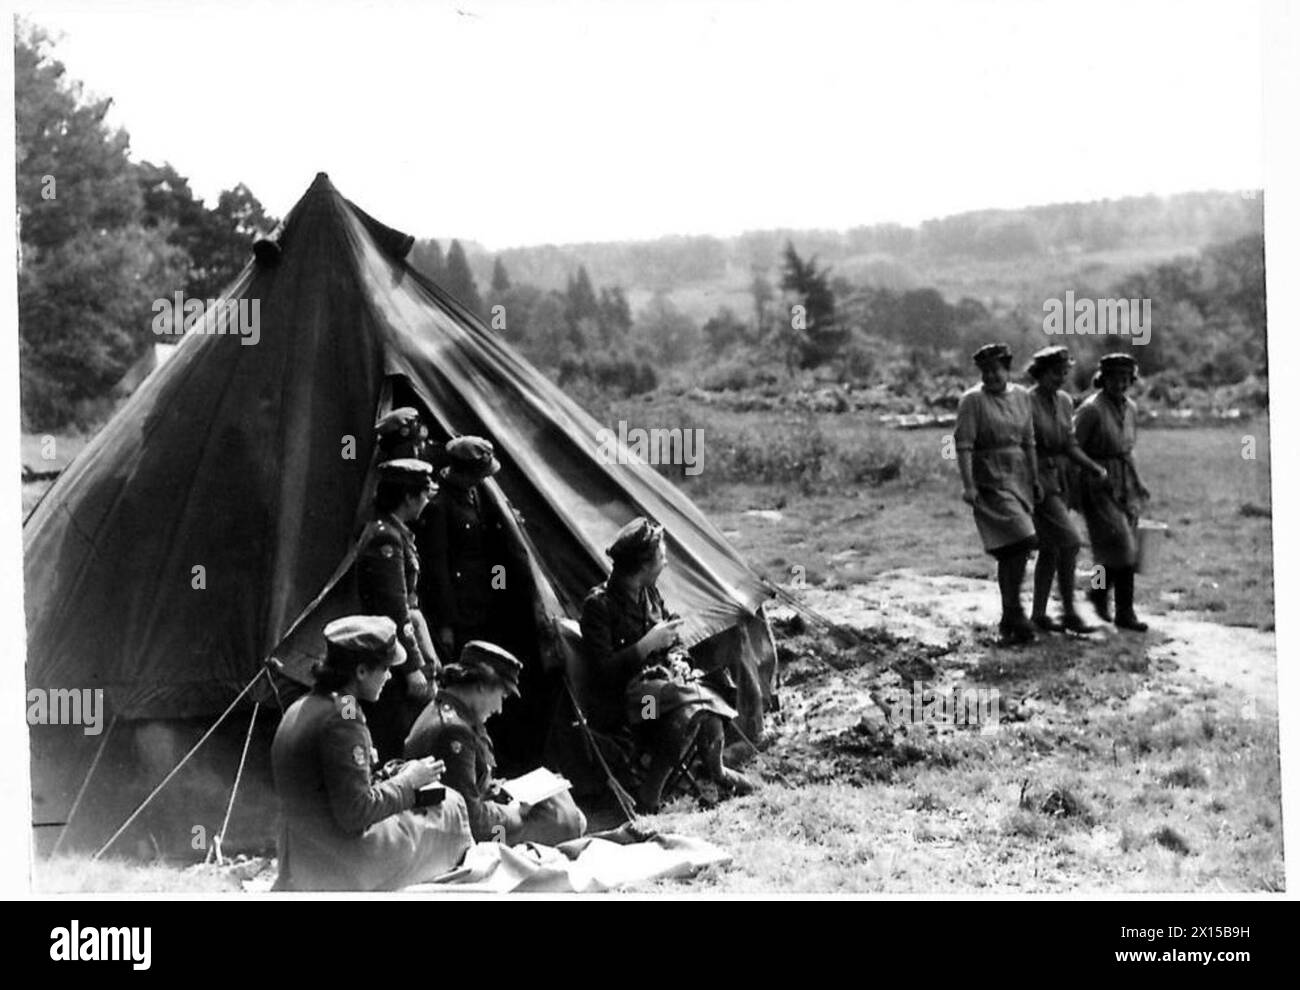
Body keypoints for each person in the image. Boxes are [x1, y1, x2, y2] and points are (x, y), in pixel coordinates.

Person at [270, 615, 472, 891]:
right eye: (385, 668)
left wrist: (391, 774)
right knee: (449, 806)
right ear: (362, 672)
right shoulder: (343, 717)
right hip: (341, 864)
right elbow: (355, 812)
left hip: (303, 856)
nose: (389, 676)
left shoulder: (304, 706)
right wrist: (409, 781)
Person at [580, 517, 756, 813]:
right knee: (686, 708)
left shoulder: (649, 593)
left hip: (662, 689)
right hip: (629, 703)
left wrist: (679, 659)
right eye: (661, 557)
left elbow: (674, 638)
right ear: (643, 566)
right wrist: (646, 645)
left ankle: (718, 772)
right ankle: (651, 795)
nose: (666, 563)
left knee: (699, 702)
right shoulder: (599, 606)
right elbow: (603, 673)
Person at [404, 640, 587, 845]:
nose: (500, 708)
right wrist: (513, 812)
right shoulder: (453, 732)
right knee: (564, 821)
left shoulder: (454, 713)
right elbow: (472, 820)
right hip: (475, 838)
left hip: (475, 820)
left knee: (559, 802)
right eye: (502, 695)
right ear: (482, 686)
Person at [955, 343, 1042, 645]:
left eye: (997, 369)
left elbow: (1029, 440)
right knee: (1024, 539)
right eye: (986, 371)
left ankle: (1010, 617)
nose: (991, 375)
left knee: (1010, 549)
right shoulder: (972, 401)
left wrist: (1035, 476)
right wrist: (969, 485)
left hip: (1018, 473)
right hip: (990, 475)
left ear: (1008, 369)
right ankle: (1016, 610)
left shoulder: (1021, 396)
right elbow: (964, 444)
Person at [357, 458, 440, 760]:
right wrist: (412, 667)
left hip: (394, 646)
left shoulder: (393, 531)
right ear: (408, 497)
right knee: (397, 733)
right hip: (389, 650)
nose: (426, 502)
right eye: (423, 495)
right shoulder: (386, 538)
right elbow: (395, 609)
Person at [1025, 346, 1110, 633]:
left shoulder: (1064, 401)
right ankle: (1069, 612)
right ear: (1039, 373)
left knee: (1050, 547)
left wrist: (1092, 467)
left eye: (1064, 373)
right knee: (1070, 542)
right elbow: (1023, 444)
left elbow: (1070, 444)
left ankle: (1039, 614)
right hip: (1036, 479)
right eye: (1054, 373)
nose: (1060, 378)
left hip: (1061, 478)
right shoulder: (1025, 401)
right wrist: (1030, 480)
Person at [1074, 352, 1152, 631]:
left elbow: (1127, 450)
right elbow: (1073, 447)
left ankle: (1097, 593)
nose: (1119, 384)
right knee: (1122, 546)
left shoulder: (1131, 408)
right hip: (1096, 482)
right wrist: (1088, 476)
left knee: (1114, 548)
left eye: (1125, 379)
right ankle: (1125, 611)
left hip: (1124, 481)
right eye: (1113, 378)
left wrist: (1138, 481)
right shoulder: (1090, 409)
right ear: (1102, 379)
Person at [419, 435, 509, 659]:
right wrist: (446, 624)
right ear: (469, 473)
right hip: (460, 610)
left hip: (483, 601)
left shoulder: (475, 494)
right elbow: (436, 568)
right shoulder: (440, 507)